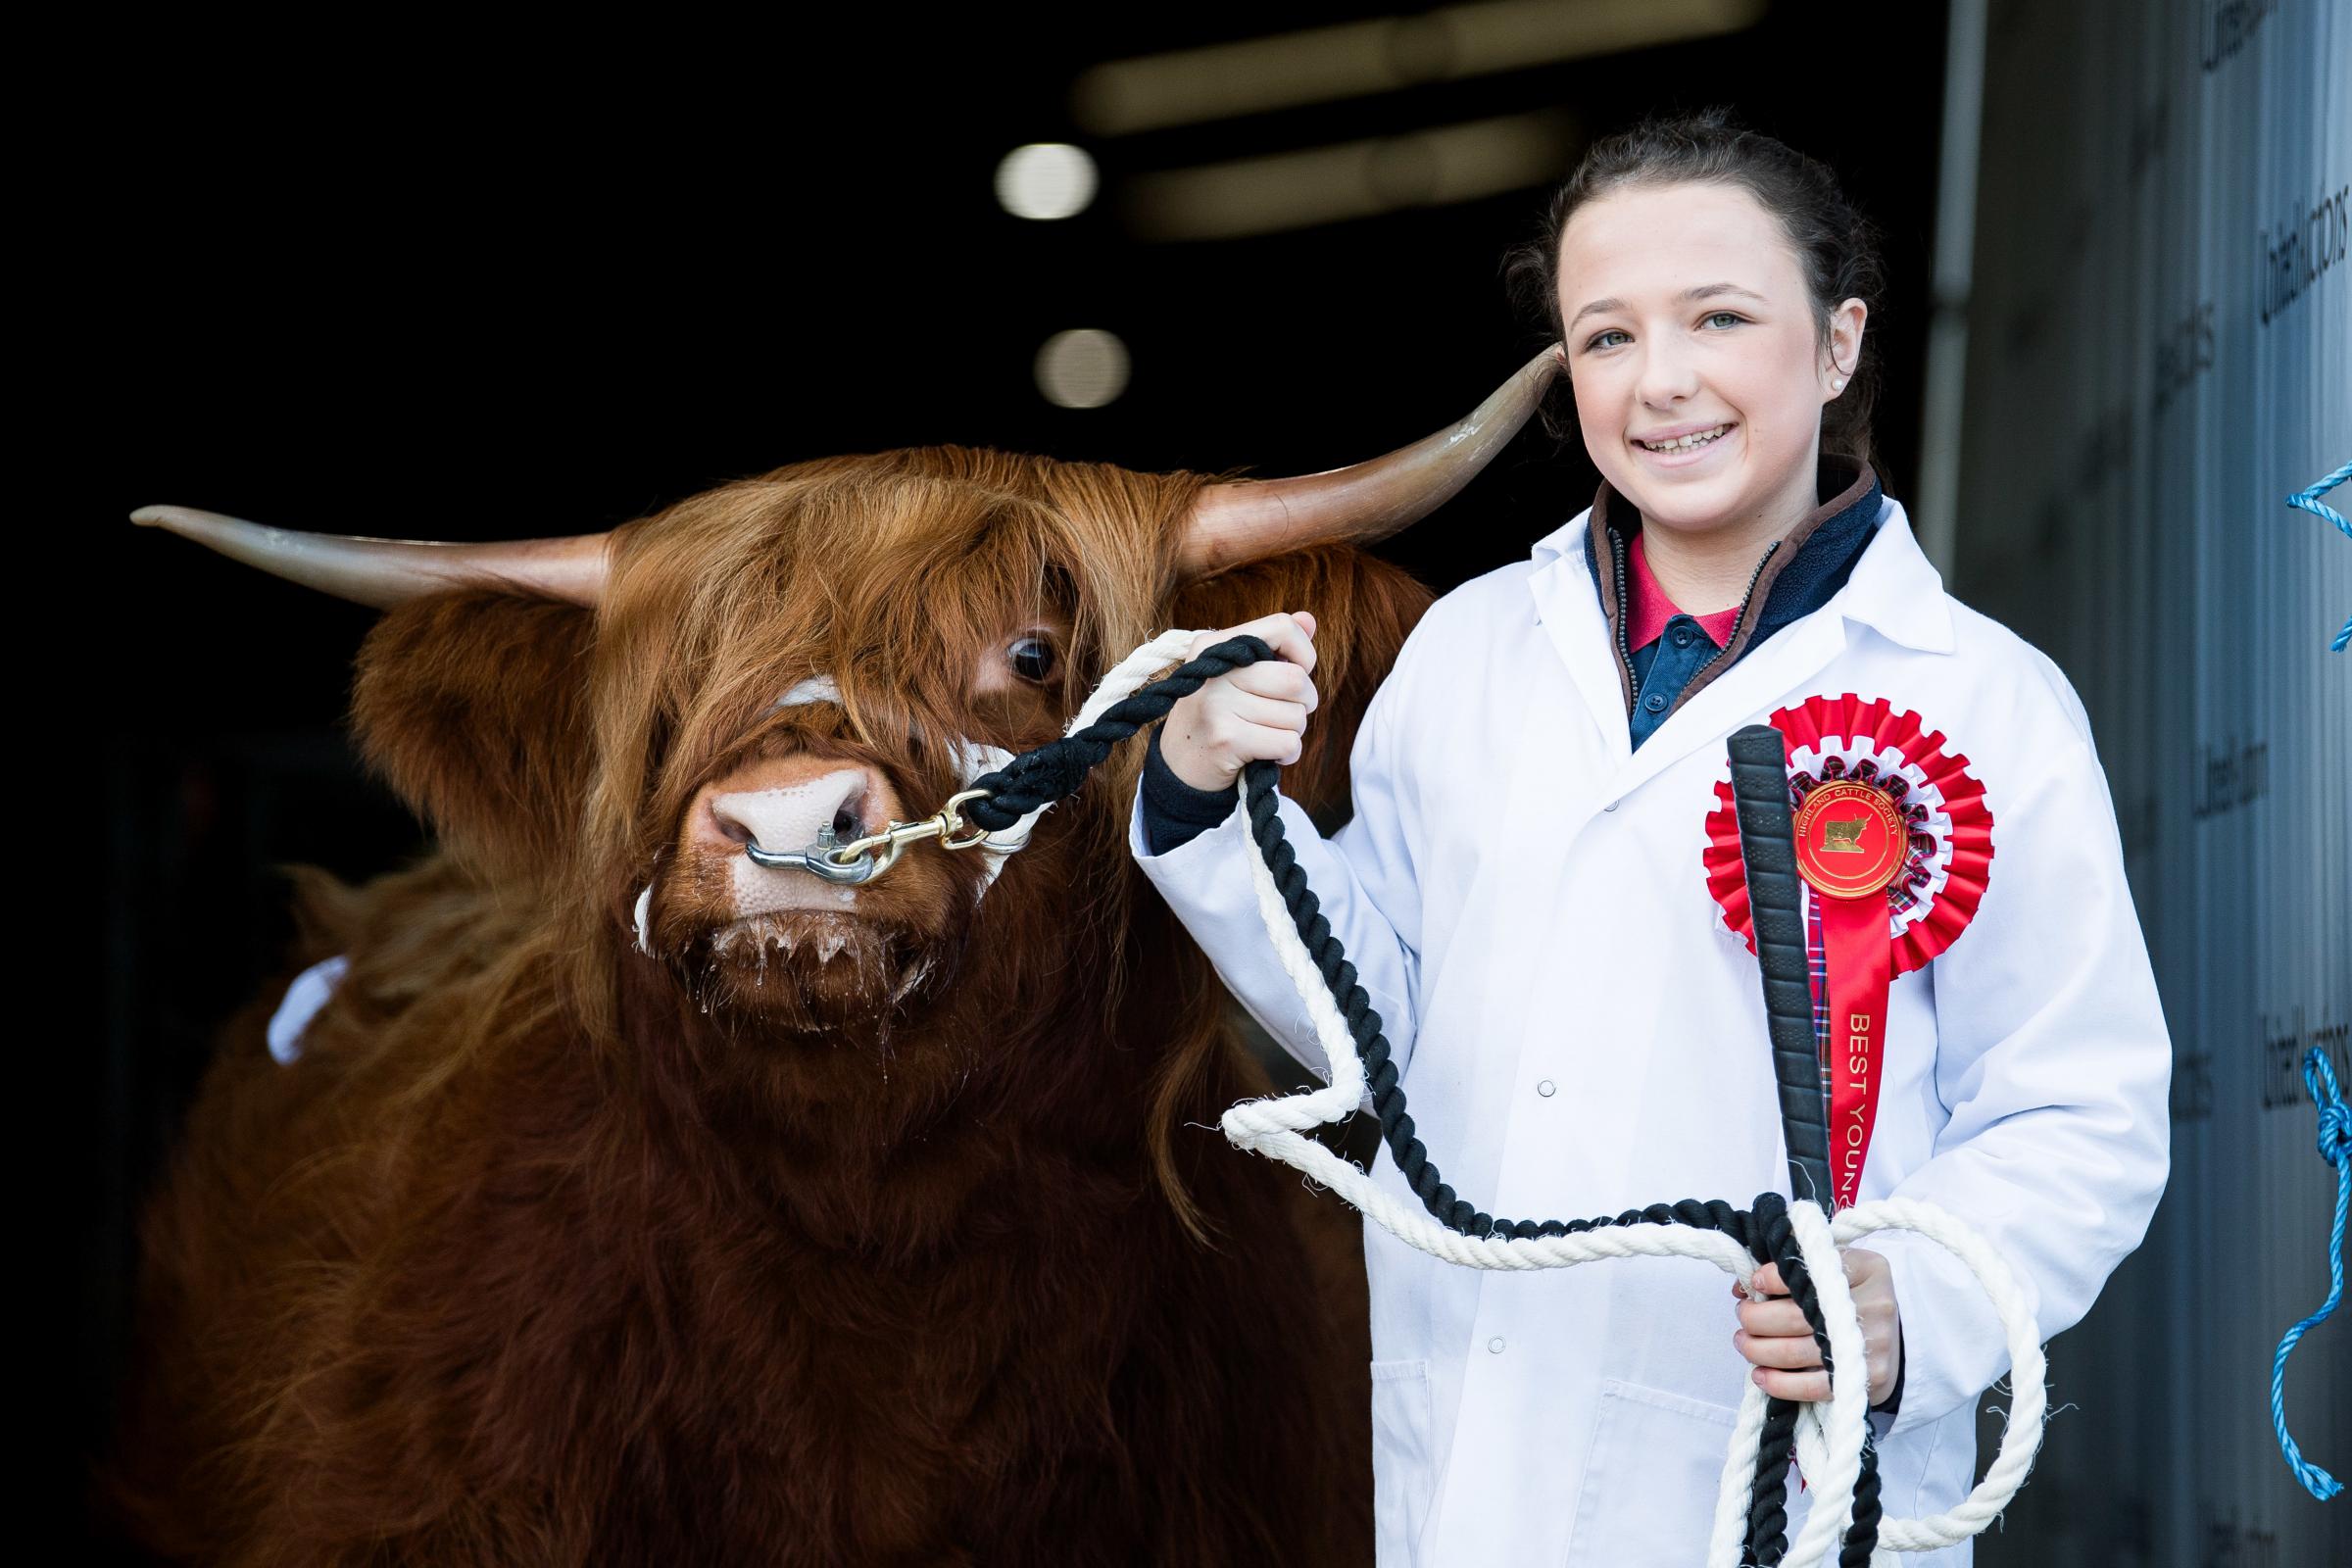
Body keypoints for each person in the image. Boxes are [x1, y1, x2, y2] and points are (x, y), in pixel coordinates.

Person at [1125, 109, 2171, 1566]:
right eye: (1606, 338)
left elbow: (2079, 1112)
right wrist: (1205, 804)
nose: (1661, 383)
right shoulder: (1474, 648)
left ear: (1840, 340)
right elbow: (1380, 1022)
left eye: (1722, 317)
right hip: (1476, 1468)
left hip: (1791, 1486)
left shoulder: (1981, 699)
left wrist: (1906, 1301)